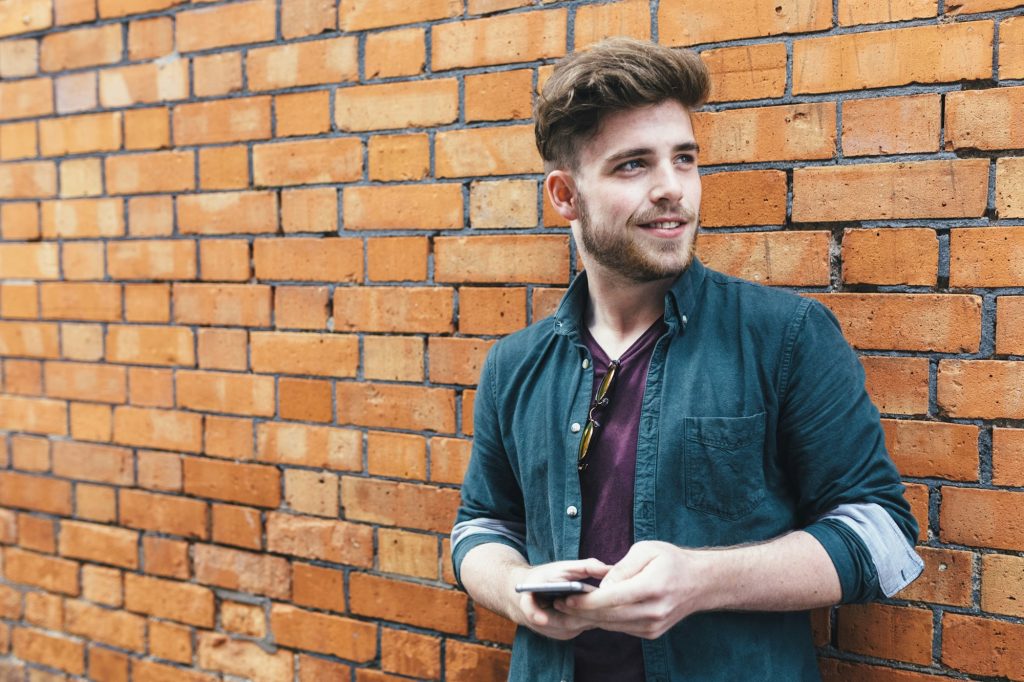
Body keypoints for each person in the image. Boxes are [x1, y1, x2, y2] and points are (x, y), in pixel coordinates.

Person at [450, 38, 923, 681]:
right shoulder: (515, 364)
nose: (672, 189)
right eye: (632, 166)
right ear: (565, 195)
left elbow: (884, 538)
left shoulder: (786, 337)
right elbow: (479, 526)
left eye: (684, 158)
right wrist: (517, 591)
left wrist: (702, 580)